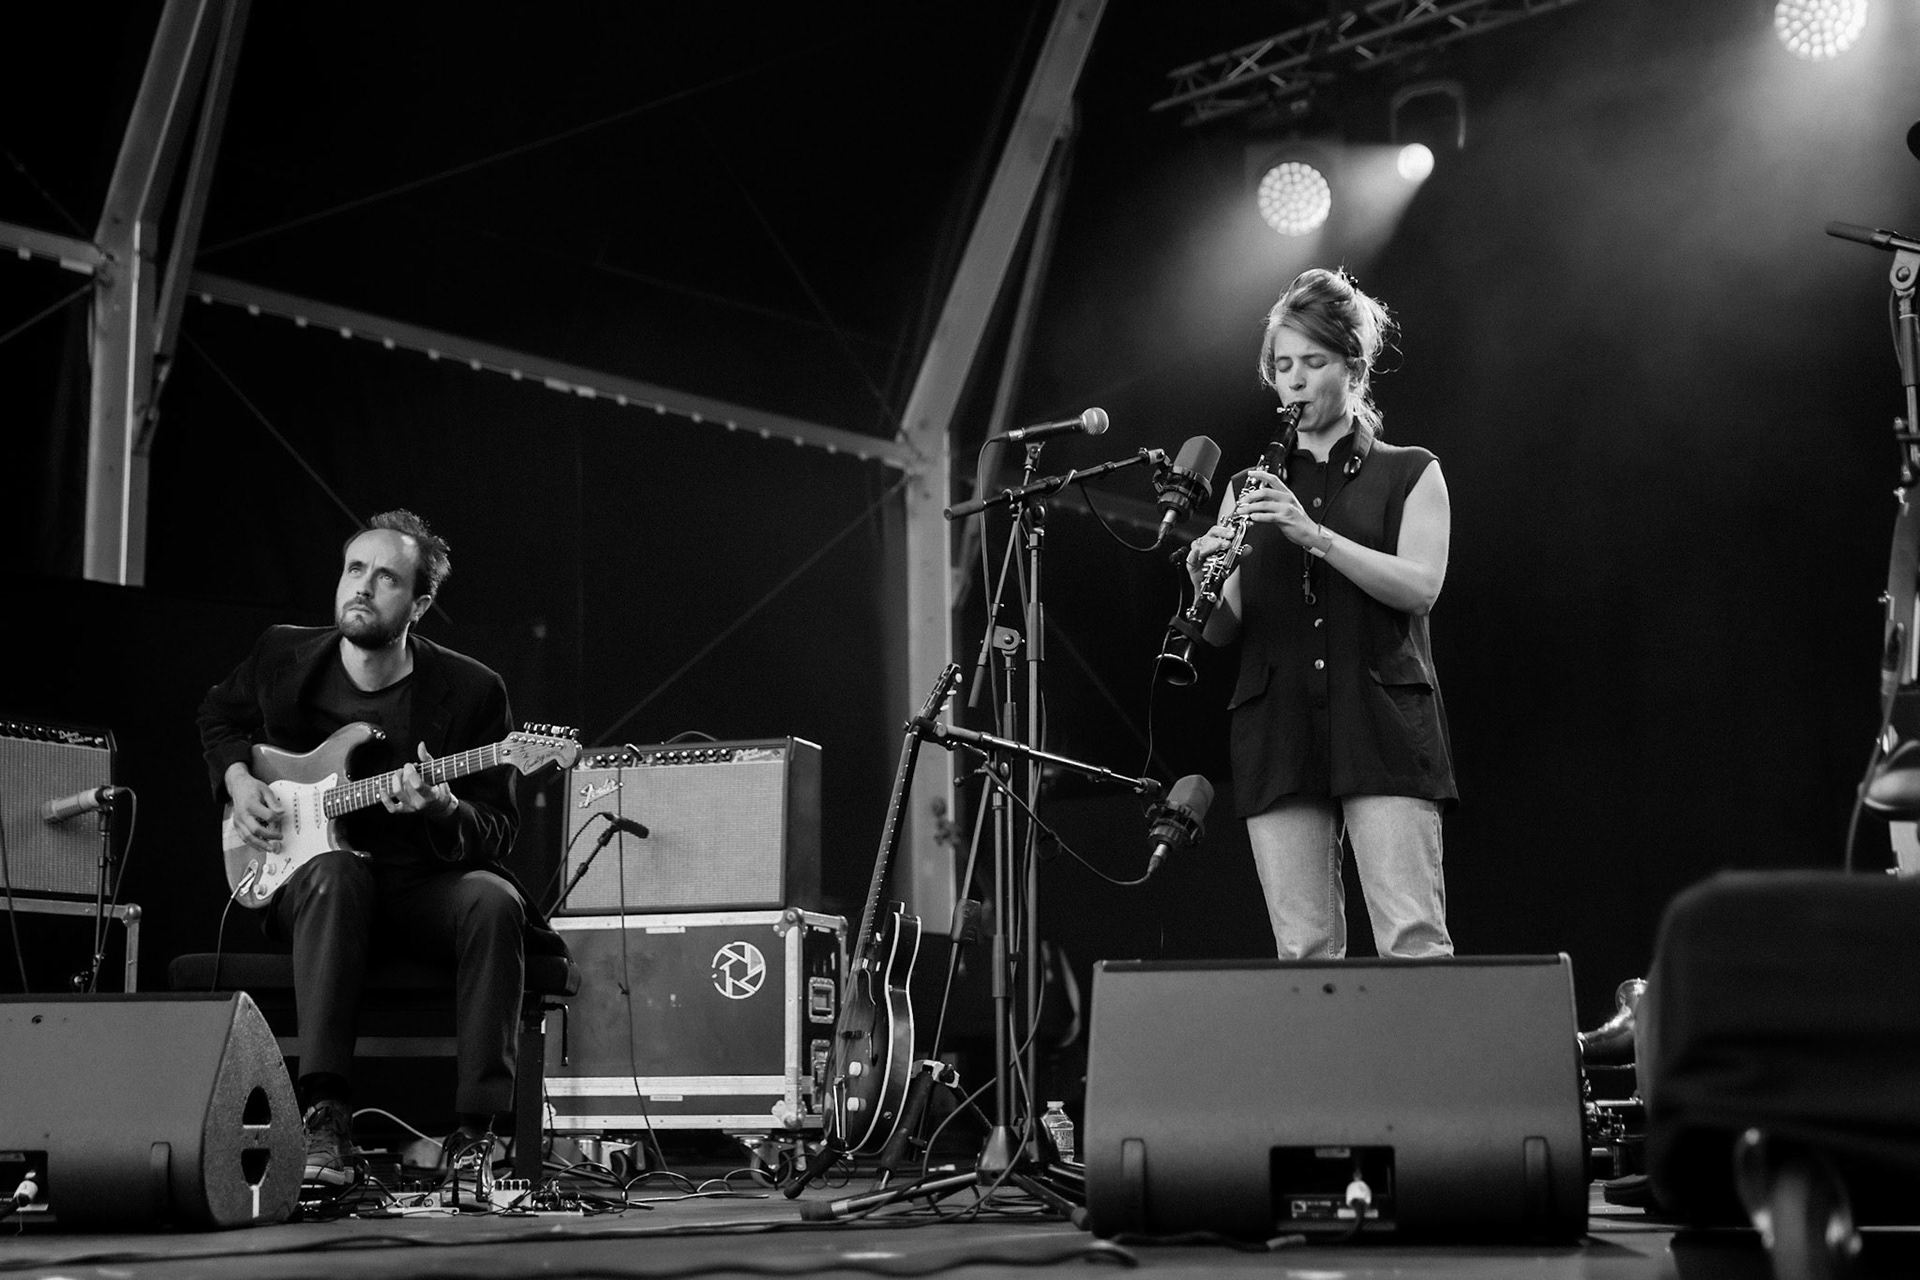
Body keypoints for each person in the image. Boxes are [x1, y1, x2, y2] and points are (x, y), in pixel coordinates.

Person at [198, 509, 541, 1189]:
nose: (362, 586)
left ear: (418, 604)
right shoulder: (284, 654)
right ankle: (323, 1117)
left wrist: (444, 808)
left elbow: (497, 826)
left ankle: (477, 1135)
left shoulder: (473, 690)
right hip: (311, 883)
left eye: (386, 578)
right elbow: (218, 716)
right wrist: (238, 780)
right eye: (356, 568)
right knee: (336, 876)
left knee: (495, 901)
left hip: (420, 887)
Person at [1184, 267, 1456, 960]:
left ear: (1353, 367)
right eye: (1282, 366)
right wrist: (1200, 583)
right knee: (1302, 953)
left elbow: (1420, 588)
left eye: (1314, 362)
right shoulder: (1249, 487)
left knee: (1413, 939)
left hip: (1382, 724)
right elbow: (1223, 629)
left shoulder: (1411, 472)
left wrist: (1314, 535)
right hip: (1277, 730)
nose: (1295, 381)